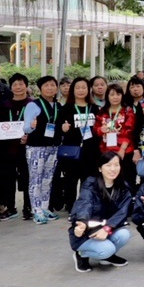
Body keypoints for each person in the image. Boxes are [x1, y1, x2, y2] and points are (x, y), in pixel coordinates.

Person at [69, 153, 134, 272]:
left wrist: (107, 228)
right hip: (88, 232)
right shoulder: (91, 183)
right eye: (108, 165)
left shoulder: (123, 187)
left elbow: (123, 212)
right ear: (100, 168)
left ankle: (106, 257)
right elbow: (85, 202)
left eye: (116, 165)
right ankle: (82, 254)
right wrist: (82, 222)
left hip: (107, 229)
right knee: (107, 249)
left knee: (124, 234)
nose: (113, 169)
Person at [52, 78, 100, 214]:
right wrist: (63, 129)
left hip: (91, 151)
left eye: (84, 87)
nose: (81, 90)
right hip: (72, 151)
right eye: (77, 87)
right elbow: (57, 130)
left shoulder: (94, 108)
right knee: (71, 181)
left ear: (88, 90)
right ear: (72, 90)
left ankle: (85, 208)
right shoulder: (66, 108)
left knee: (88, 182)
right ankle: (71, 208)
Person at [0, 73, 33, 221]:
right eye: (15, 84)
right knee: (7, 179)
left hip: (27, 148)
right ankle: (10, 208)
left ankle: (28, 208)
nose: (18, 87)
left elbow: (38, 125)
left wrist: (30, 136)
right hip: (7, 148)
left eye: (21, 84)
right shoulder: (4, 105)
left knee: (27, 178)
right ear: (10, 88)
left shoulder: (33, 105)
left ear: (26, 86)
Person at [93, 83, 138, 188]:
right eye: (112, 94)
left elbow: (129, 131)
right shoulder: (102, 112)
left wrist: (122, 149)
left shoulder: (127, 111)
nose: (115, 97)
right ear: (107, 96)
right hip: (106, 151)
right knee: (108, 179)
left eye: (118, 94)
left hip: (124, 152)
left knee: (126, 179)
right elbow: (95, 130)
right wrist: (101, 130)